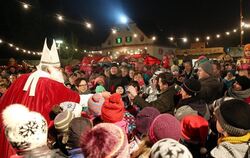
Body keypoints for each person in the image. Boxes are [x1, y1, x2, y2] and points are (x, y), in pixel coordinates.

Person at [0, 39, 81, 157]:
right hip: (36, 138)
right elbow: (74, 98)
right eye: (58, 69)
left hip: (13, 134)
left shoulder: (20, 79)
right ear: (49, 69)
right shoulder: (51, 84)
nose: (60, 71)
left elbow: (4, 101)